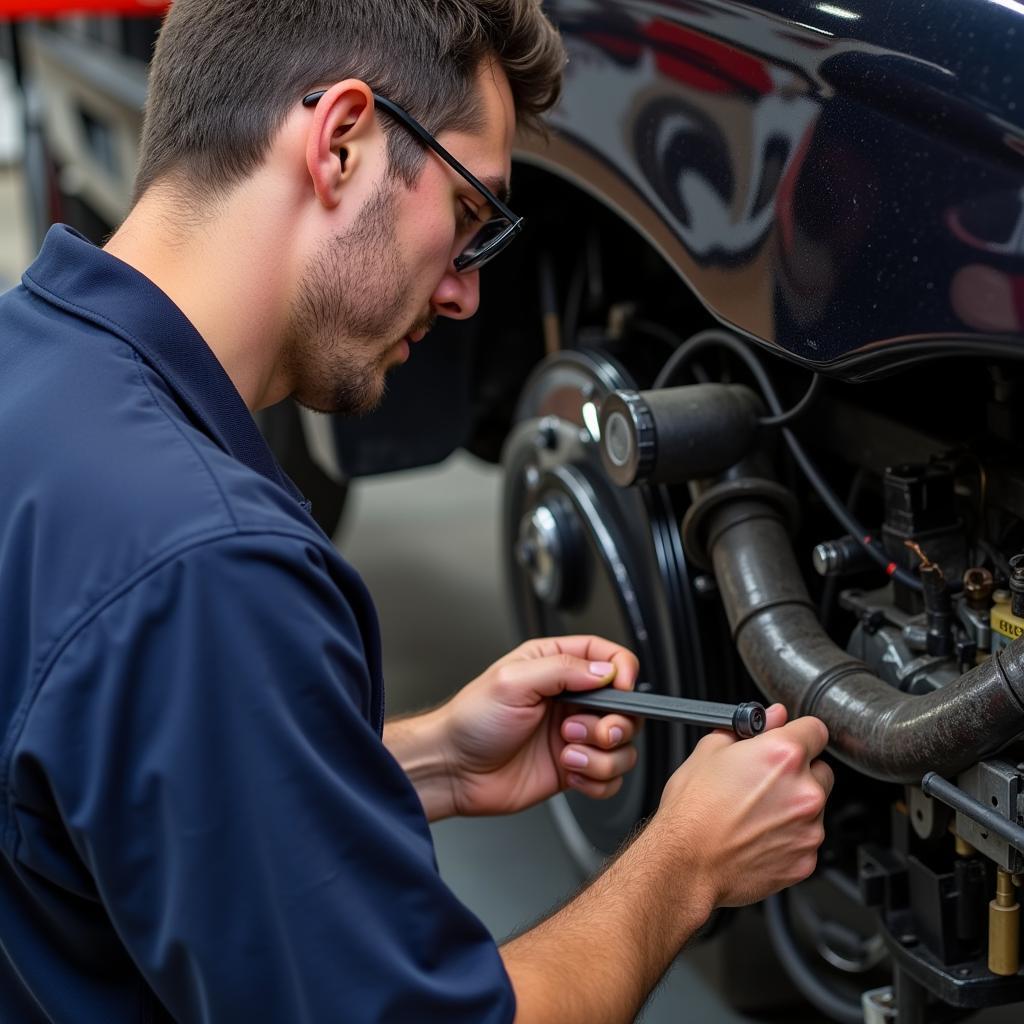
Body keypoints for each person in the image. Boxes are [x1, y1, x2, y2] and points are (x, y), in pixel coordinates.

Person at [0, 1, 832, 1021]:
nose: (467, 297)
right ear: (340, 141)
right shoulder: (206, 566)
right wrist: (686, 860)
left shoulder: (31, 366)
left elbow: (101, 788)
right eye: (470, 216)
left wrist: (429, 757)